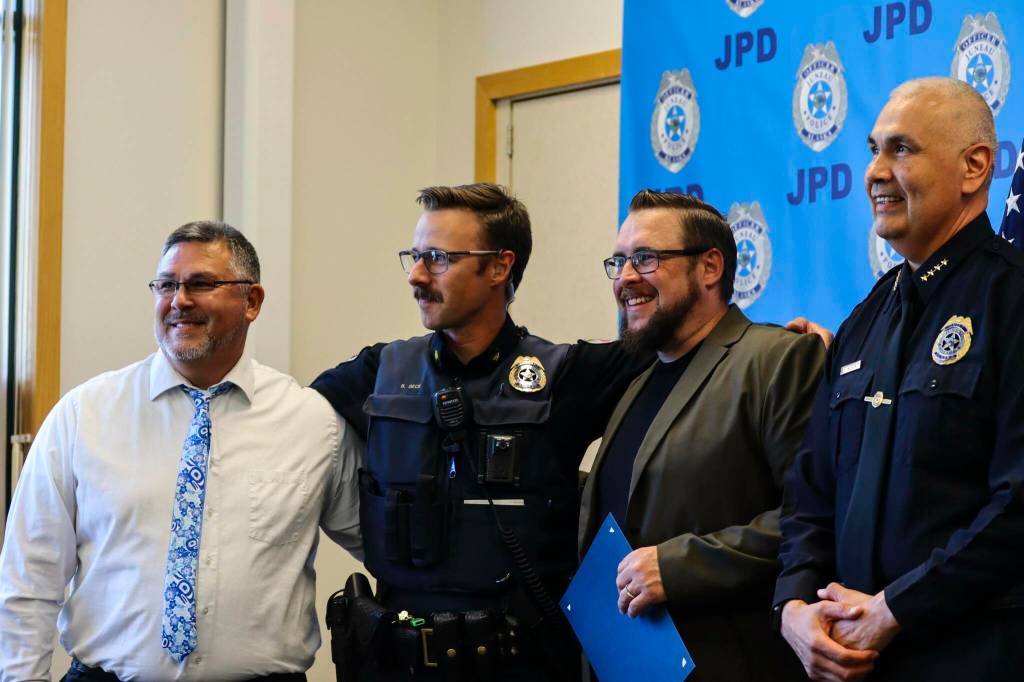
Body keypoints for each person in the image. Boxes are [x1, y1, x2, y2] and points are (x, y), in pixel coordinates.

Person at [311, 184, 650, 681]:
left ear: (499, 267)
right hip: (396, 663)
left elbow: (688, 353)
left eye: (438, 258)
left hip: (521, 664)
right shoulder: (378, 372)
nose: (416, 276)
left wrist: (787, 344)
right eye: (414, 256)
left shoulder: (568, 375)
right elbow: (286, 426)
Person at [0, 221, 363, 682]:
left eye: (201, 284)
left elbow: (384, 550)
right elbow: (29, 578)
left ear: (252, 301)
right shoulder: (84, 415)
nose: (179, 300)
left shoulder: (312, 423)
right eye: (166, 285)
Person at [774, 77, 1024, 681]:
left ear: (974, 167)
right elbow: (811, 494)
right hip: (846, 661)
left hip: (973, 658)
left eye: (902, 149)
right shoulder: (863, 320)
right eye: (872, 149)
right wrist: (795, 605)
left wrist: (896, 609)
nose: (874, 172)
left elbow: (1019, 499)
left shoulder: (1013, 298)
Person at [577, 190, 824, 681]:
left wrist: (678, 566)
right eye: (619, 261)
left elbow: (813, 517)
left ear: (710, 268)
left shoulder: (776, 359)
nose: (625, 278)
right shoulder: (639, 381)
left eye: (645, 259)